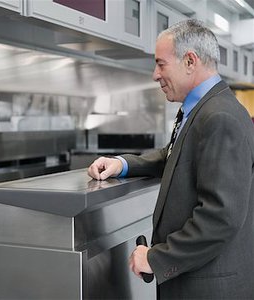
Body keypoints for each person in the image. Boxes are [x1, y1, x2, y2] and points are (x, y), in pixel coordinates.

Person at [88, 19, 254, 299]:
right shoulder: (204, 108)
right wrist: (124, 164)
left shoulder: (219, 117)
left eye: (161, 64)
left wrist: (156, 258)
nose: (155, 75)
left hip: (209, 287)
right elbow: (174, 155)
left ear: (190, 61)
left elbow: (220, 217)